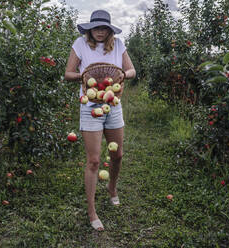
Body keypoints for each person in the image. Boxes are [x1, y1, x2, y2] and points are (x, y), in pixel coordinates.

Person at [64, 9, 136, 231]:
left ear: (109, 30)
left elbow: (131, 70)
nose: (100, 32)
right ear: (90, 28)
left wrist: (123, 75)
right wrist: (85, 76)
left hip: (112, 104)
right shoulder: (80, 44)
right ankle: (92, 211)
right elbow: (68, 73)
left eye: (104, 28)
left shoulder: (119, 45)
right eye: (96, 28)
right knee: (94, 160)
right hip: (89, 105)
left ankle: (112, 189)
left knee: (118, 154)